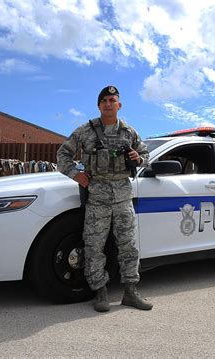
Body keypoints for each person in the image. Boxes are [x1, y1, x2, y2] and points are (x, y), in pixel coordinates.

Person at [57, 85, 153, 312]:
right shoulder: (86, 130)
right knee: (93, 246)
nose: (108, 104)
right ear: (99, 106)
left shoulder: (129, 132)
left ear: (119, 105)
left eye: (112, 100)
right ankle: (100, 293)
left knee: (128, 246)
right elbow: (63, 154)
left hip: (122, 196)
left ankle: (131, 292)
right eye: (104, 101)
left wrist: (138, 158)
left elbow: (147, 157)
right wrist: (76, 175)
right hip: (97, 196)